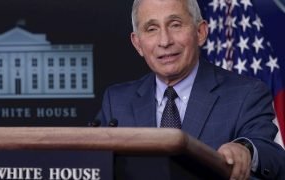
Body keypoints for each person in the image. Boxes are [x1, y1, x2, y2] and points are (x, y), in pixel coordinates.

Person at [96, 0, 285, 179]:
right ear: (138, 43)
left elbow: (271, 154)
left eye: (175, 24)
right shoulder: (117, 101)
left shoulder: (246, 93)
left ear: (200, 32)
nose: (165, 41)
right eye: (151, 29)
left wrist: (245, 150)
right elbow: (92, 163)